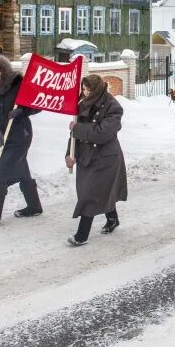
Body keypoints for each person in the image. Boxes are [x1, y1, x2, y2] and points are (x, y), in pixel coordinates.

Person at [65, 74, 128, 246]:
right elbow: (74, 133)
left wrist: (78, 129)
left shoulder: (113, 107)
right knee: (100, 192)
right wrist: (69, 154)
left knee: (90, 195)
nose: (85, 93)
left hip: (105, 158)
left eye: (88, 90)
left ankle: (81, 235)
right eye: (83, 89)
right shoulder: (79, 104)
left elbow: (102, 133)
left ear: (97, 89)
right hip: (86, 157)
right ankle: (113, 219)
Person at [0, 54, 42, 227]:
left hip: (20, 136)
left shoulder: (18, 83)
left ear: (4, 70)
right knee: (22, 170)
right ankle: (34, 206)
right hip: (4, 137)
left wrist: (22, 110)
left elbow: (37, 104)